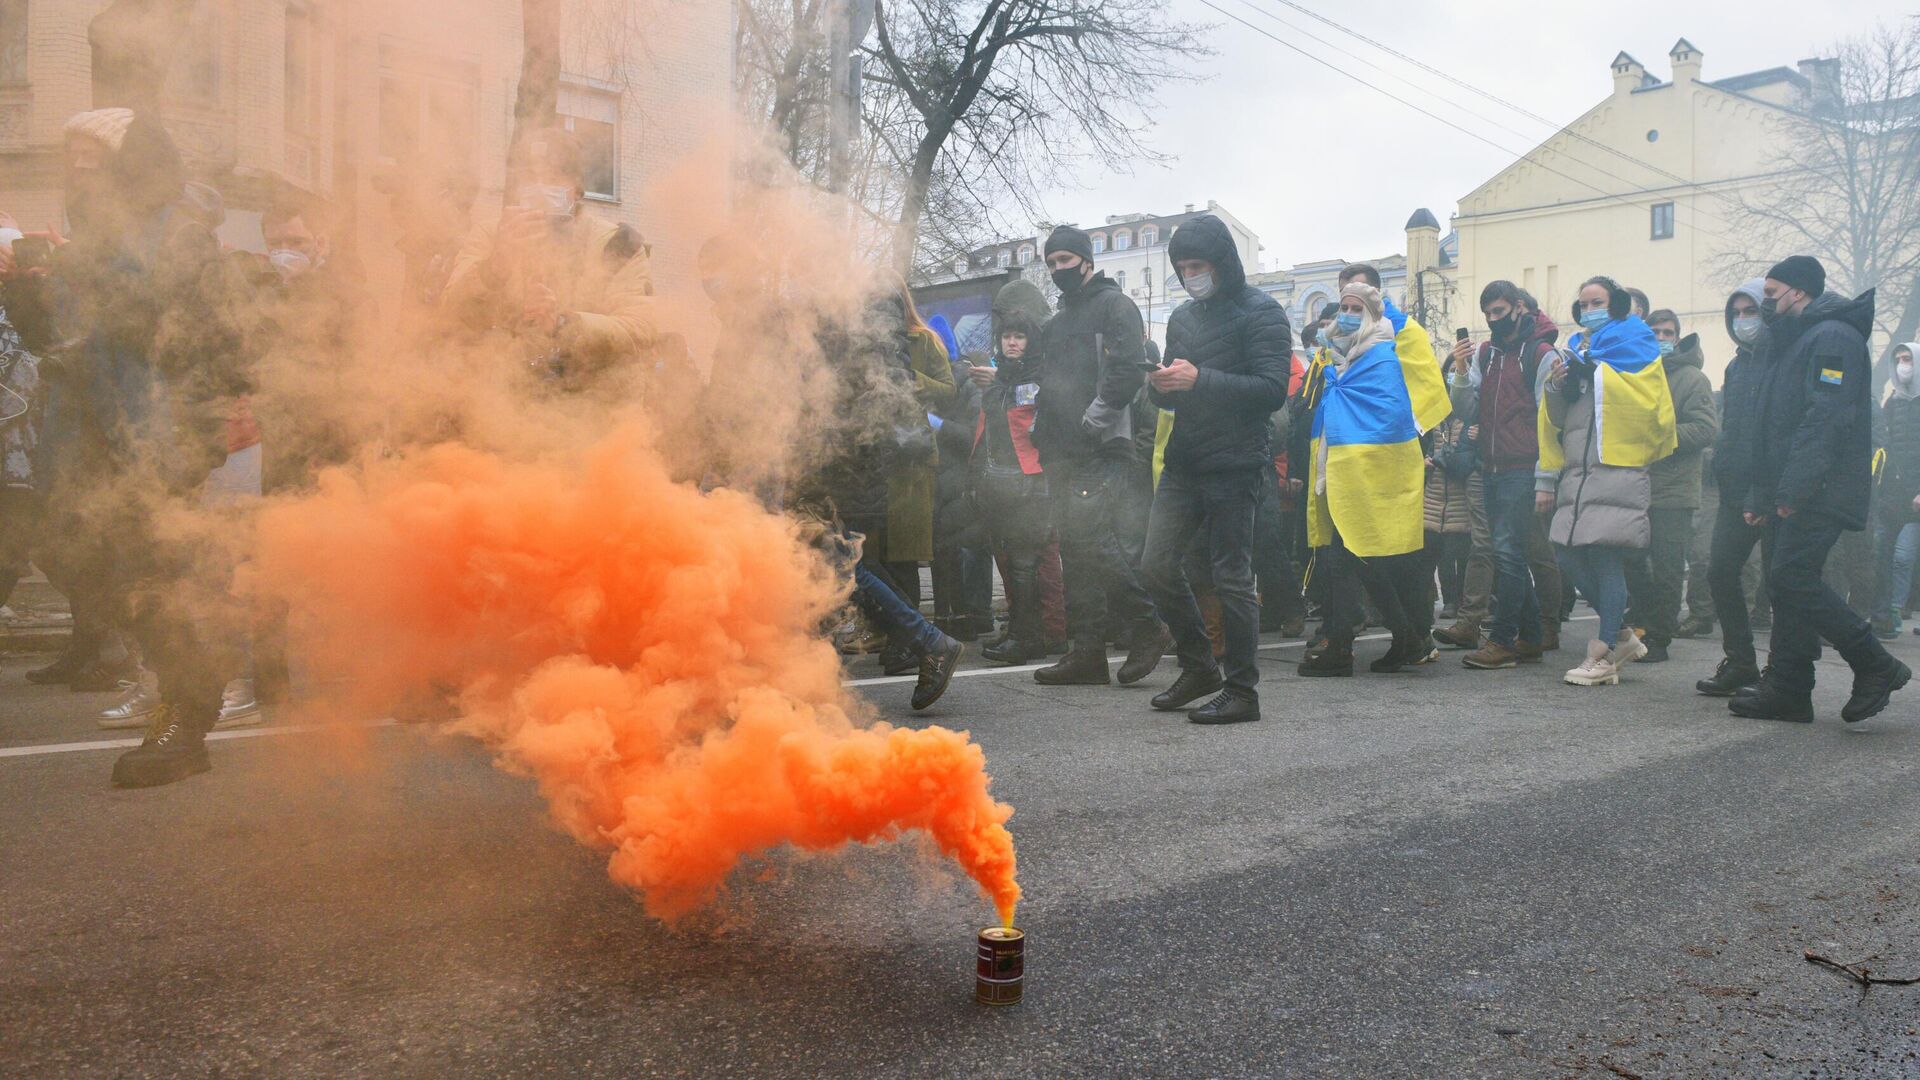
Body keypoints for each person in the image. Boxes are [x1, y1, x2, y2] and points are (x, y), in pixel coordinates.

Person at [4, 109, 256, 785]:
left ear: (131, 159)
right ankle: (176, 699)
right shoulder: (93, 236)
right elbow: (57, 345)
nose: (78, 166)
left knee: (164, 584)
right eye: (72, 155)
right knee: (98, 570)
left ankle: (186, 723)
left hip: (161, 438)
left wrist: (202, 440)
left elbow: (200, 335)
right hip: (97, 439)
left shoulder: (179, 235)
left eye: (92, 153)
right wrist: (23, 291)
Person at [1730, 256, 1908, 723]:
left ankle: (1876, 664)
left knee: (1792, 577)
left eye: (1771, 294)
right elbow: (1773, 426)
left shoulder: (1833, 338)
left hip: (1820, 486)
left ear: (1799, 292)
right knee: (1783, 583)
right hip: (1793, 483)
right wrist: (1762, 494)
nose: (1765, 304)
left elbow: (1825, 418)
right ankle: (1788, 688)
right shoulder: (1793, 338)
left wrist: (1793, 490)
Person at [1139, 214, 1291, 722]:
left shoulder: (1263, 312)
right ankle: (1199, 666)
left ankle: (1242, 691)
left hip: (1236, 461)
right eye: (1182, 268)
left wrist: (1199, 379)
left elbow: (1272, 391)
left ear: (1223, 262)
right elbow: (1175, 394)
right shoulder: (1182, 318)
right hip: (1185, 460)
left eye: (1198, 265)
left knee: (1231, 576)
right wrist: (1158, 387)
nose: (1190, 276)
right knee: (1156, 564)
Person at [1030, 225, 1167, 687]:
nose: (1057, 270)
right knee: (1075, 548)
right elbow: (1046, 378)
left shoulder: (1115, 306)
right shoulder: (1058, 318)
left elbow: (1128, 370)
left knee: (1092, 539)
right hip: (1061, 448)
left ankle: (1148, 626)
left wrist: (1094, 421)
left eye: (1064, 260)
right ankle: (1086, 652)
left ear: (1087, 261)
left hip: (1100, 446)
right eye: (1051, 263)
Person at [1296, 280, 1450, 679]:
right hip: (1338, 469)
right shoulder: (1336, 357)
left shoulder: (1382, 355)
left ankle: (1345, 647)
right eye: (1343, 307)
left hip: (1371, 473)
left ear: (1372, 313)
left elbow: (1390, 415)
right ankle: (1407, 639)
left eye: (1355, 308)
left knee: (1350, 559)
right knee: (1360, 560)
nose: (1347, 314)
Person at [442, 128, 657, 393]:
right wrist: (495, 265)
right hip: (500, 406)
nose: (540, 188)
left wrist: (566, 324)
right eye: (530, 177)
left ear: (577, 189)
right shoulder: (490, 236)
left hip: (592, 413)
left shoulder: (617, 245)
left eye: (554, 177)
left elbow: (638, 332)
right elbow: (451, 312)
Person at [1545, 277, 1672, 687]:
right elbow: (1563, 417)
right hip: (1580, 468)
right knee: (1565, 552)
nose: (1589, 310)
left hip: (1618, 465)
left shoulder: (1636, 338)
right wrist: (1560, 385)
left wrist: (1596, 371)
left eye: (1597, 301)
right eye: (1583, 303)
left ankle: (1601, 655)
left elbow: (1644, 402)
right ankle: (1620, 635)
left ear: (1614, 303)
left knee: (1604, 557)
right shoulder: (1581, 346)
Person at [1443, 281, 1565, 667]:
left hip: (1522, 468)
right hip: (1491, 466)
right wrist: (1460, 370)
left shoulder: (1542, 353)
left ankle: (1502, 640)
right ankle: (1528, 636)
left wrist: (1546, 479)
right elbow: (1466, 410)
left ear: (1518, 308)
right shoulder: (1486, 353)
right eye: (1488, 315)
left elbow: (1550, 422)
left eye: (1499, 312)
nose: (1493, 320)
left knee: (1510, 555)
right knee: (1507, 553)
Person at [1621, 309, 1718, 662]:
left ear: (1677, 337)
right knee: (1630, 560)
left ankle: (1659, 638)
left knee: (1667, 567)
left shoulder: (1693, 378)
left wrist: (1662, 439)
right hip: (1636, 485)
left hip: (1674, 489)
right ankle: (1643, 621)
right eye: (1655, 332)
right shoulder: (1637, 372)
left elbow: (1706, 428)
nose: (1661, 338)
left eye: (1667, 333)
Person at [1694, 280, 1774, 697]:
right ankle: (1741, 661)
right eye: (1737, 313)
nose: (1743, 321)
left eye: (1752, 311)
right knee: (1720, 570)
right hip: (1736, 487)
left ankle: (1783, 669)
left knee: (1782, 581)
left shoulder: (1785, 358)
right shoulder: (1738, 365)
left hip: (1772, 489)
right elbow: (1735, 428)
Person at [968, 280, 1054, 664]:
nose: (1012, 342)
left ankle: (1029, 636)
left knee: (1024, 562)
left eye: (1019, 336)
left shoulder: (1036, 378)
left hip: (1029, 481)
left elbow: (1032, 428)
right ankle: (1021, 632)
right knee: (1012, 560)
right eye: (1007, 336)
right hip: (1001, 480)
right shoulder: (1002, 379)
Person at [1873, 343, 1920, 639]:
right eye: (1899, 359)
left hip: (1916, 490)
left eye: (1908, 359)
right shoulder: (1892, 402)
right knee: (1886, 553)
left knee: (1904, 554)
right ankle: (1884, 616)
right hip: (1894, 491)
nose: (1903, 365)